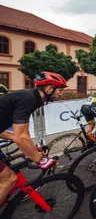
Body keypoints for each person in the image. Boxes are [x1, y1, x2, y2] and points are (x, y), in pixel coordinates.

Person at [0, 71, 67, 204]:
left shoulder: (29, 97)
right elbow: (21, 137)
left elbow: (19, 133)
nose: (61, 93)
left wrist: (32, 148)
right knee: (9, 179)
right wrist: (40, 159)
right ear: (49, 89)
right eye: (60, 90)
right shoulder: (29, 99)